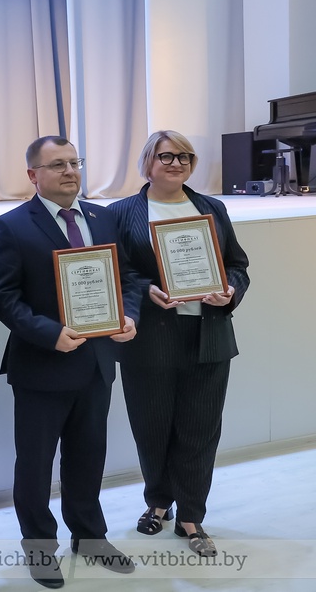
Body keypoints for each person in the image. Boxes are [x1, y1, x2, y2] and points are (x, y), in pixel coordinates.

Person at [0, 136, 140, 589]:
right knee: (35, 464)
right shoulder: (11, 225)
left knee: (88, 456)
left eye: (75, 162)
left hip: (96, 362)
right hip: (42, 365)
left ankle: (90, 537)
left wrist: (129, 315)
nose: (70, 171)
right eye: (57, 165)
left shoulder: (102, 218)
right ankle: (39, 546)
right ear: (32, 175)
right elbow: (2, 296)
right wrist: (49, 333)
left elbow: (128, 278)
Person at [107, 130, 249, 558]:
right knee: (151, 426)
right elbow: (117, 271)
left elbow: (237, 265)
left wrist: (229, 290)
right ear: (148, 162)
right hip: (149, 336)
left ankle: (191, 514)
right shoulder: (121, 212)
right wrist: (146, 289)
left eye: (185, 157)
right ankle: (158, 501)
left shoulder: (212, 208)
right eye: (167, 156)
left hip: (207, 335)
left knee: (200, 428)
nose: (177, 164)